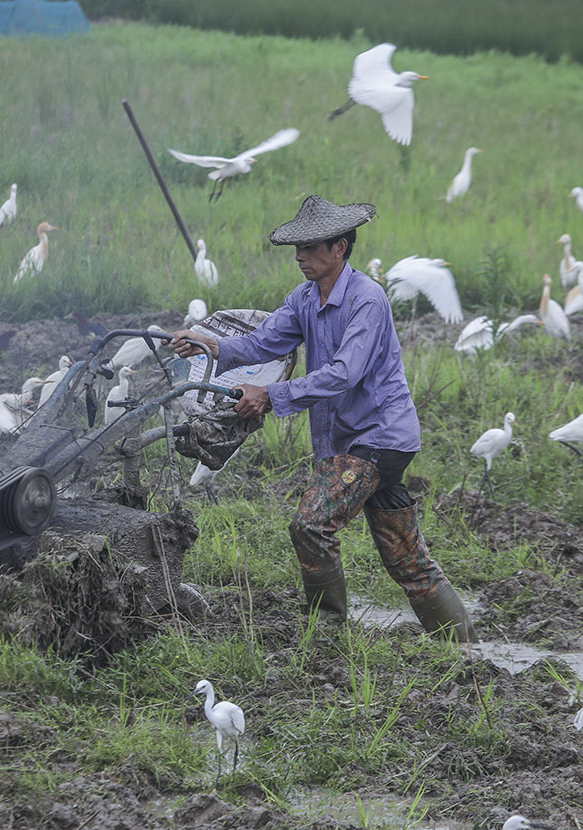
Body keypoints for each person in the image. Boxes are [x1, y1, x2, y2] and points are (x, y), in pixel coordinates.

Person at [171, 195, 474, 640]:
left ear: (340, 249)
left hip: (377, 437)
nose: (299, 257)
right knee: (405, 555)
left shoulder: (367, 300)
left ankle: (328, 635)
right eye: (297, 249)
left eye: (311, 248)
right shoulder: (305, 298)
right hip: (348, 441)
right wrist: (209, 344)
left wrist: (270, 395)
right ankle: (464, 646)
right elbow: (262, 343)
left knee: (310, 525)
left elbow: (344, 373)